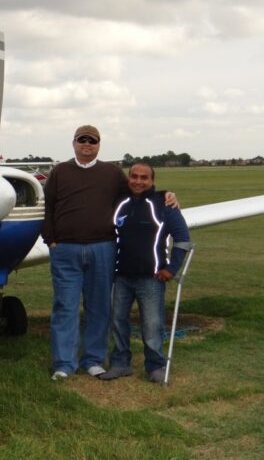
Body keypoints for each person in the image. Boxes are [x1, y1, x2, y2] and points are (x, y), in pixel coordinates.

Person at [41, 125, 177, 380]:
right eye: (82, 140)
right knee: (65, 307)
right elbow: (47, 206)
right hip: (65, 250)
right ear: (74, 143)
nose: (87, 144)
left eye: (92, 141)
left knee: (99, 306)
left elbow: (139, 192)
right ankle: (64, 364)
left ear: (98, 145)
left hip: (103, 248)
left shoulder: (112, 173)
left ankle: (93, 359)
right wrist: (50, 240)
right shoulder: (59, 172)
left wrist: (166, 195)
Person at [100, 162, 191, 383]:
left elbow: (183, 239)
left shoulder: (164, 204)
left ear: (152, 181)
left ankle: (155, 366)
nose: (139, 181)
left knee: (152, 324)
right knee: (118, 320)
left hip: (151, 278)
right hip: (120, 276)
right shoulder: (120, 202)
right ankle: (121, 363)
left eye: (144, 178)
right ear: (128, 178)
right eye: (134, 177)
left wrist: (171, 269)